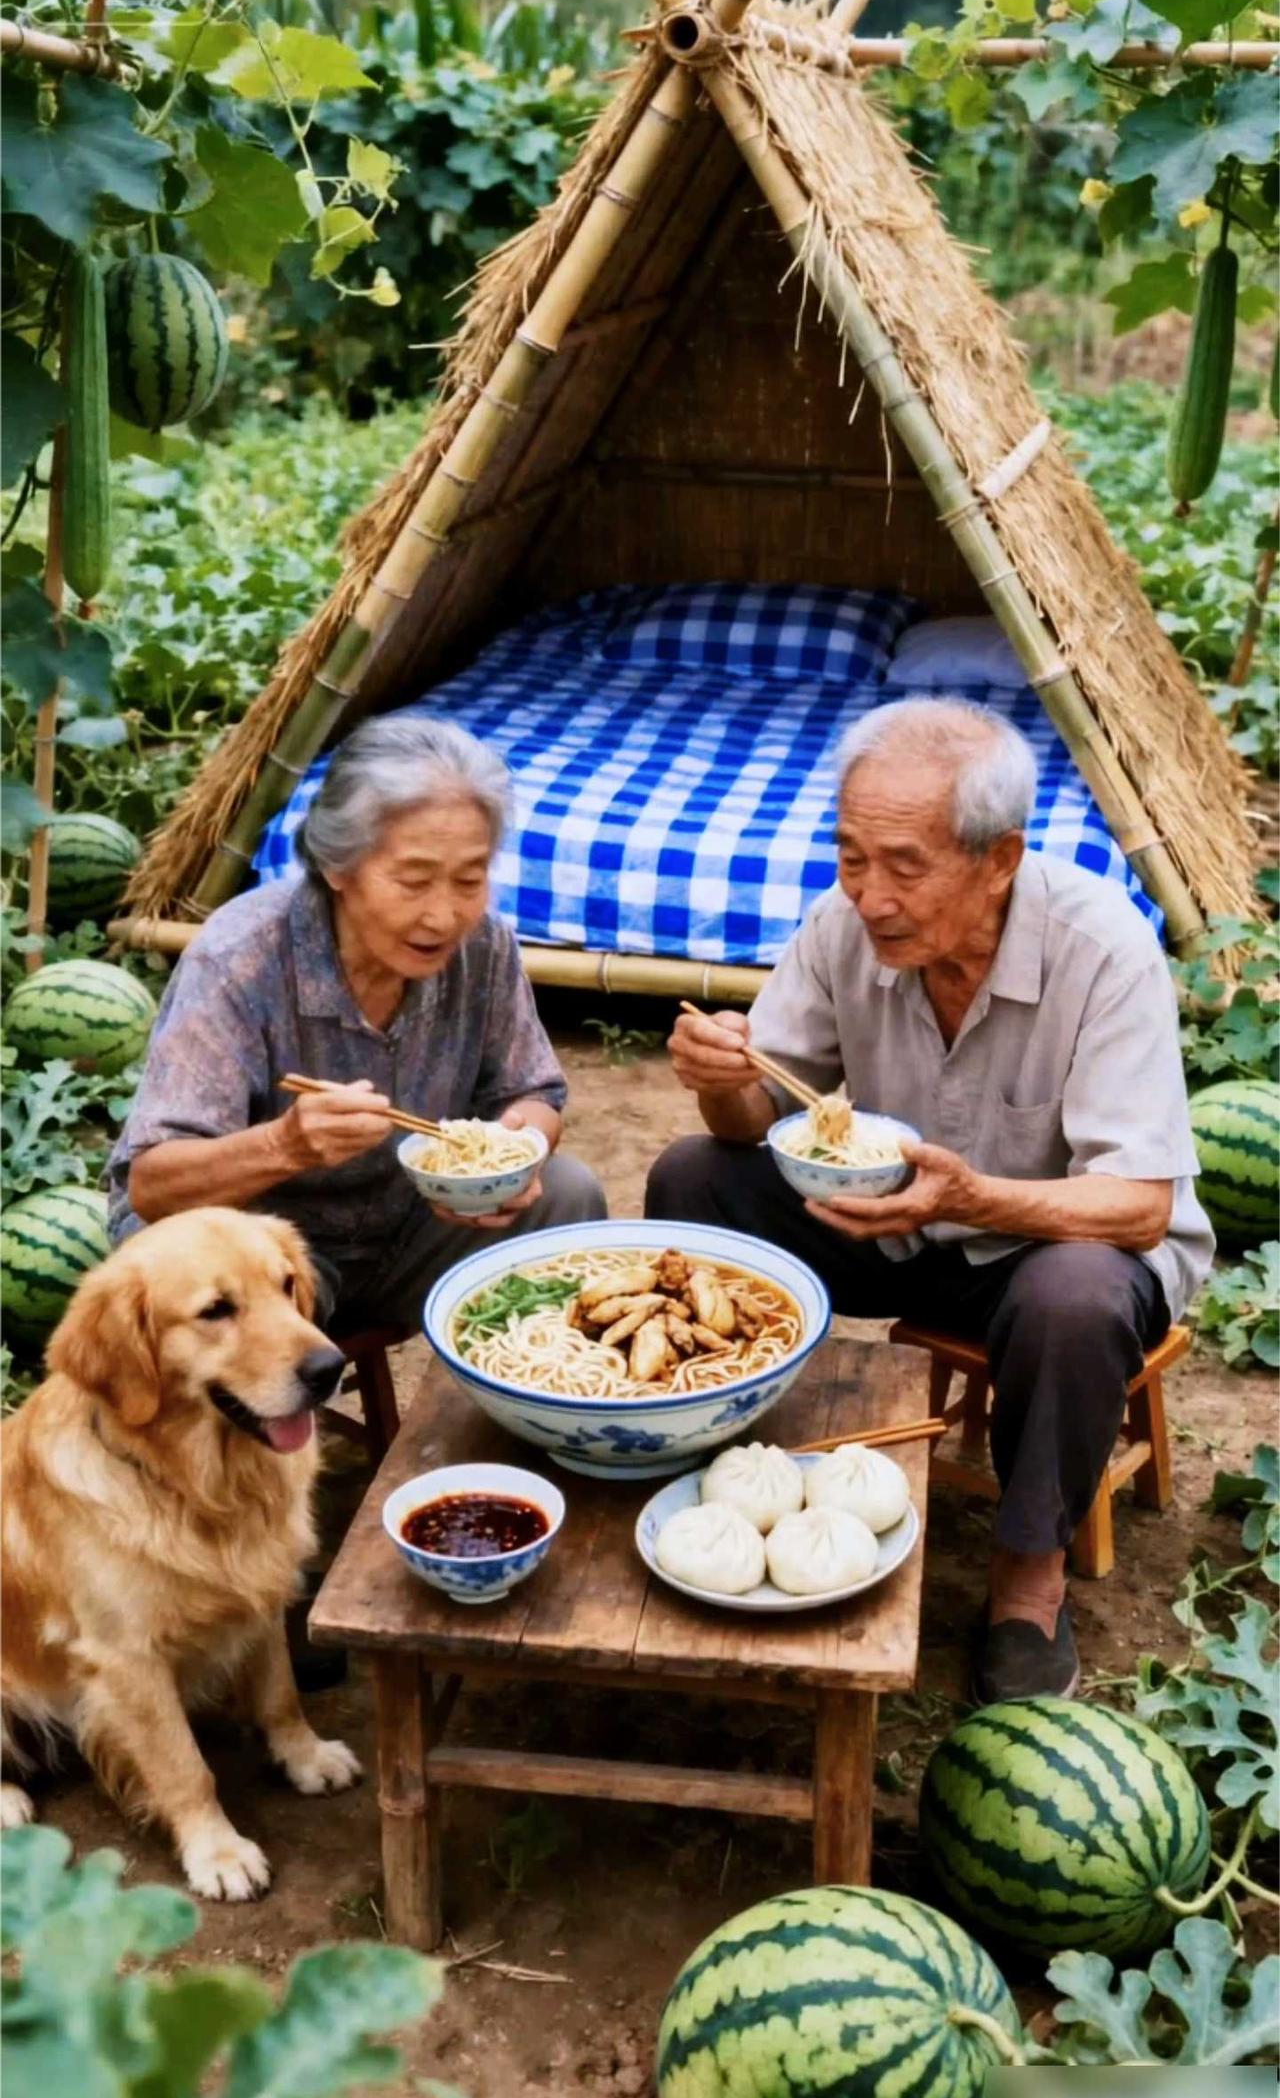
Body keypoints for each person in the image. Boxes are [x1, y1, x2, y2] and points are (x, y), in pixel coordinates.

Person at [647, 697, 1213, 1703]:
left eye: (904, 866)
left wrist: (977, 1197)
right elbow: (750, 1121)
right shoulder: (843, 925)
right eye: (850, 856)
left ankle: (1028, 1576)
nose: (871, 896)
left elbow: (1135, 1206)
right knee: (692, 1177)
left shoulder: (1101, 948)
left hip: (1046, 1256)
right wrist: (719, 1076)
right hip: (895, 1228)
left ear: (999, 860)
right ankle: (722, 1459)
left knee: (1077, 1297)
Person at [108, 715, 605, 1331]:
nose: (444, 915)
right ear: (336, 866)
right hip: (261, 1257)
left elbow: (533, 1093)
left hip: (406, 1228)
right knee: (220, 1272)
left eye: (469, 880)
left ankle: (503, 1390)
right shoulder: (240, 958)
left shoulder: (483, 946)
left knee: (567, 1194)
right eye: (414, 880)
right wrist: (284, 1145)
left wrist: (509, 1156)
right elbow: (154, 1185)